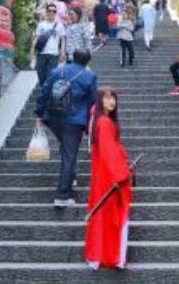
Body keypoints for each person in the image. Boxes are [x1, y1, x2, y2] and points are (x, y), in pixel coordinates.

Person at [35, 49, 97, 206]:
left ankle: (70, 177)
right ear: (87, 61)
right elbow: (93, 101)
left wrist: (39, 114)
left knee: (66, 149)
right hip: (74, 120)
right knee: (70, 154)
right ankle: (62, 195)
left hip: (53, 118)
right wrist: (89, 125)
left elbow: (45, 91)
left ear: (73, 57)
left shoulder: (57, 71)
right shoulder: (89, 76)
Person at [85, 87, 132, 271]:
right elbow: (109, 153)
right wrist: (122, 173)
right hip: (109, 178)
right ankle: (111, 256)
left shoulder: (101, 121)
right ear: (99, 101)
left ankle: (102, 254)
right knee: (112, 218)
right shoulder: (104, 123)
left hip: (104, 176)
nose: (111, 101)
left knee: (105, 217)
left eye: (113, 97)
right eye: (106, 98)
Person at [31, 4, 65, 86]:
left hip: (54, 54)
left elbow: (63, 40)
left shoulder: (59, 25)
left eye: (54, 11)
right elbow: (36, 38)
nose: (52, 12)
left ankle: (49, 94)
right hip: (42, 53)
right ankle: (43, 90)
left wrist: (62, 52)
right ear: (46, 12)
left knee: (52, 75)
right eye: (50, 10)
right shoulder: (41, 25)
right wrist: (32, 51)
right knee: (41, 74)